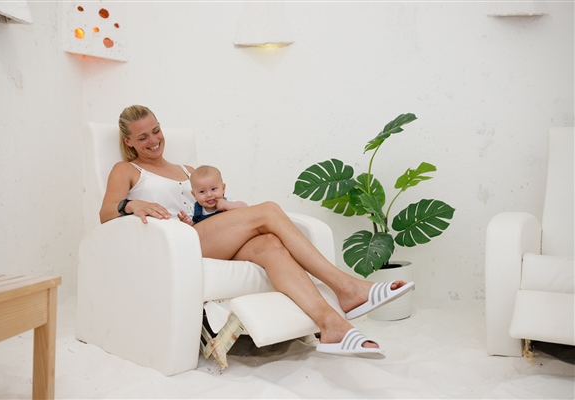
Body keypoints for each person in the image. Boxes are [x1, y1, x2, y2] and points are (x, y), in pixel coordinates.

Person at [100, 104, 415, 358]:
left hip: (208, 234)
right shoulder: (127, 169)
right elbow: (105, 214)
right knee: (268, 211)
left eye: (156, 130)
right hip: (176, 243)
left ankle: (331, 324)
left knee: (270, 243)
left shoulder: (189, 170)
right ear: (128, 142)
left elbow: (215, 205)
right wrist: (132, 205)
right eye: (143, 137)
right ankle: (347, 288)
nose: (153, 140)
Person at [179, 165, 247, 225]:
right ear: (194, 195)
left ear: (223, 188)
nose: (209, 195)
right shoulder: (193, 209)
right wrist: (189, 223)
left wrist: (227, 205)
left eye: (213, 189)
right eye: (202, 191)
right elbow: (191, 230)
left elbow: (245, 208)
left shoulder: (228, 201)